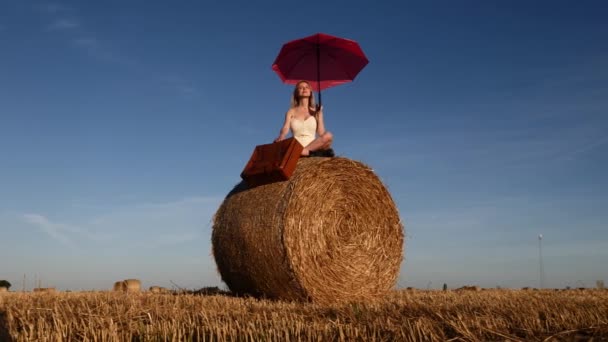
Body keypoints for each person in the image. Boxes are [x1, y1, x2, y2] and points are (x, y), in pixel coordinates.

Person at [274, 80, 334, 157]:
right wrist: (282, 135)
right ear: (296, 92)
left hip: (312, 146)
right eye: (301, 88)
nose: (304, 89)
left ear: (310, 92)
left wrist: (320, 115)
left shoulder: (316, 111)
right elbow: (285, 128)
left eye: (307, 87)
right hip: (296, 145)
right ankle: (305, 153)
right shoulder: (291, 112)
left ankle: (302, 152)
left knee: (328, 135)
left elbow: (321, 133)